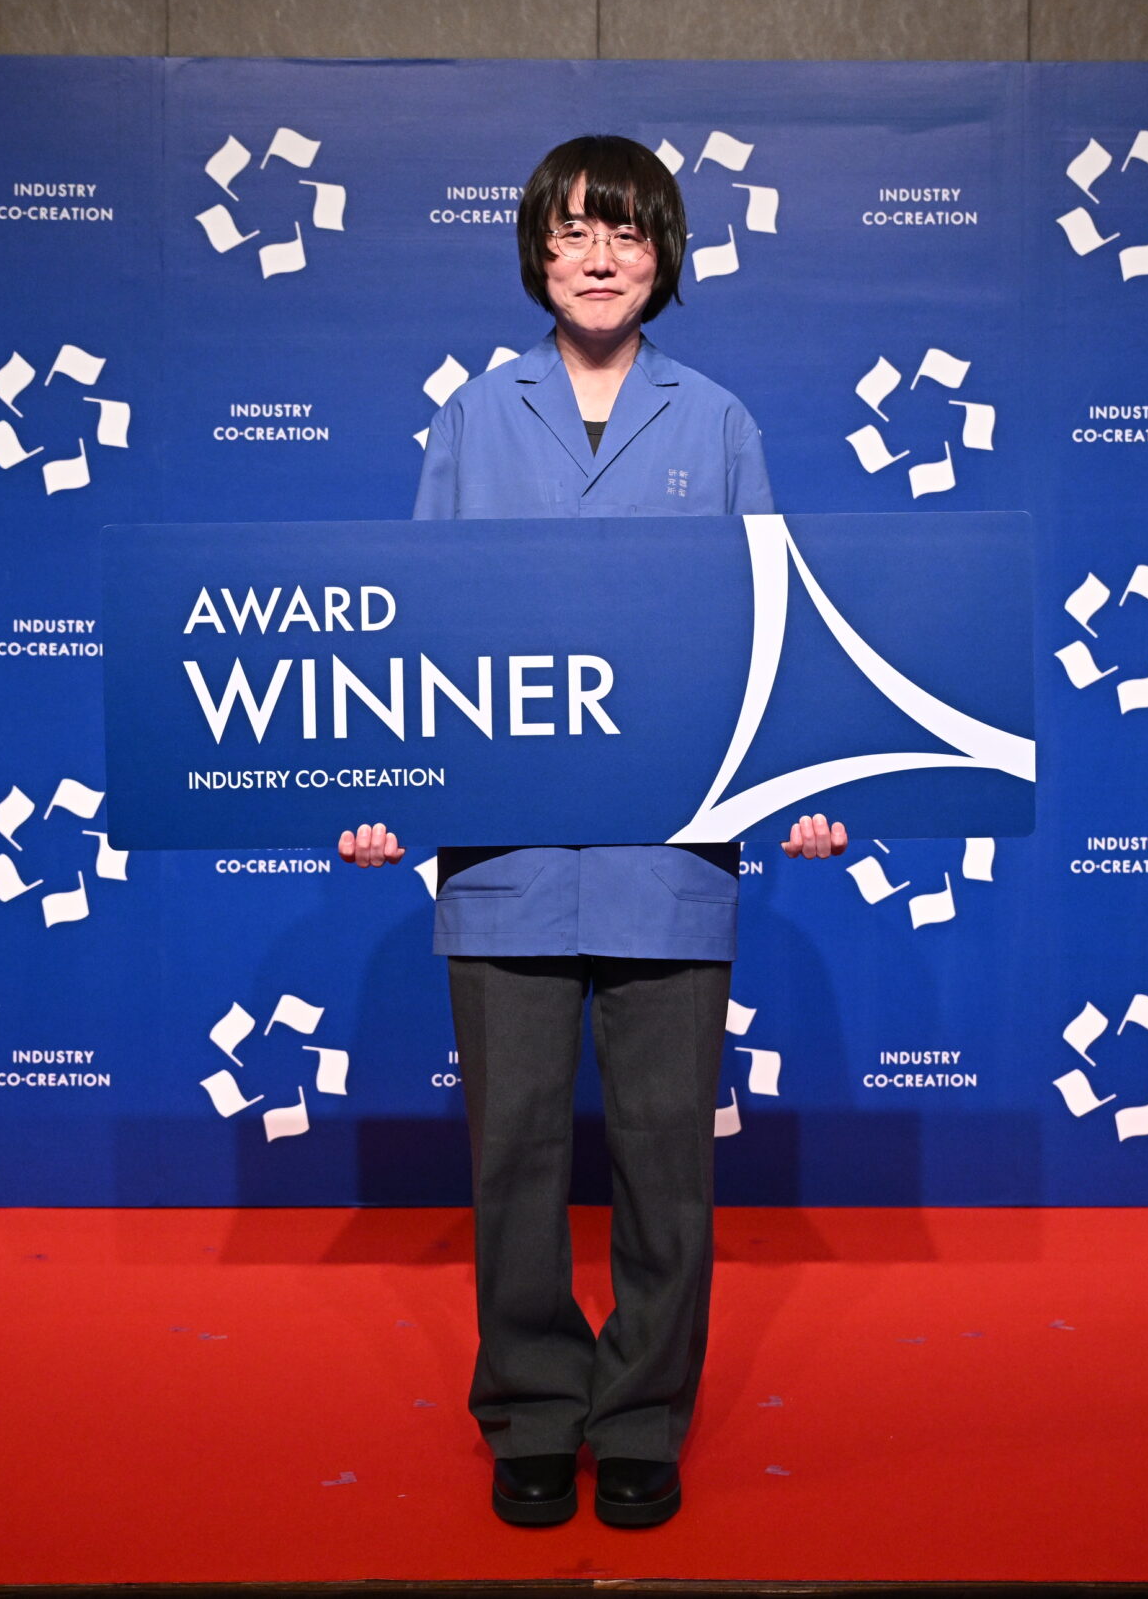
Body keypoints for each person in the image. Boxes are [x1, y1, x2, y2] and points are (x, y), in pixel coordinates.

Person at [336, 134, 848, 1529]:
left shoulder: (719, 421)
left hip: (667, 866)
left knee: (667, 1161)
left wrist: (803, 792)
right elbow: (414, 632)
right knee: (510, 1156)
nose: (601, 257)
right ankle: (530, 1406)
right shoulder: (470, 417)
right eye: (574, 232)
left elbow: (771, 640)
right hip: (503, 862)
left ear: (664, 256)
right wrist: (385, 794)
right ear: (539, 255)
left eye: (626, 232)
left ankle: (640, 1416)